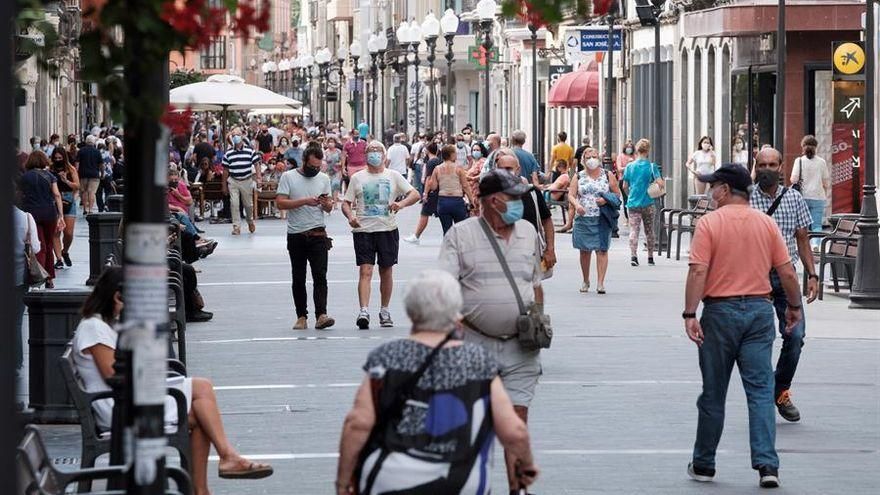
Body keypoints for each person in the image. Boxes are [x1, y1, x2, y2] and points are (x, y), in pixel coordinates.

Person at [70, 267, 273, 495]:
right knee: (202, 390)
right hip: (118, 408)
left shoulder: (104, 325)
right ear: (117, 296)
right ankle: (224, 461)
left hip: (132, 398)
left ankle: (207, 483)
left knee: (200, 412)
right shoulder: (94, 327)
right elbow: (113, 376)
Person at [335, 270, 538, 495]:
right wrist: (526, 467)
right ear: (457, 314)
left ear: (411, 313)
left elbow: (358, 423)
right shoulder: (478, 362)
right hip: (461, 482)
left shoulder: (386, 358)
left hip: (391, 480)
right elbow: (514, 431)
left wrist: (343, 482)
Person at [683, 163, 802, 489]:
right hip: (759, 313)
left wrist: (689, 314)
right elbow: (788, 272)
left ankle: (705, 463)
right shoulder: (765, 224)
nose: (709, 191)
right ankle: (767, 465)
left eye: (712, 186)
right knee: (762, 392)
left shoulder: (708, 224)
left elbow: (697, 272)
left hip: (720, 314)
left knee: (713, 392)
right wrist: (794, 308)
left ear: (724, 189)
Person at [440, 169, 543, 495]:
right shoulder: (460, 235)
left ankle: (518, 490)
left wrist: (537, 320)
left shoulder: (528, 233)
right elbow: (443, 286)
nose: (519, 203)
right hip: (473, 345)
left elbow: (534, 284)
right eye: (513, 197)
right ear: (491, 200)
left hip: (520, 347)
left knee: (516, 425)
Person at [751, 148, 820, 422]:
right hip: (753, 278)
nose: (767, 168)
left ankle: (780, 389)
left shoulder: (793, 198)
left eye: (772, 164)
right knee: (758, 340)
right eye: (762, 164)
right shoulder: (743, 199)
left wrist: (812, 275)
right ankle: (761, 393)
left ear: (781, 167)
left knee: (796, 335)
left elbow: (802, 238)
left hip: (785, 276)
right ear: (756, 167)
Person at [342, 141, 420, 329]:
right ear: (365, 156)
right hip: (363, 230)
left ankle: (384, 310)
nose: (374, 154)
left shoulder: (393, 176)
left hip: (387, 230)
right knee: (365, 270)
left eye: (377, 151)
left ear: (384, 156)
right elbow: (346, 202)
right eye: (370, 151)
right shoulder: (358, 178)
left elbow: (415, 194)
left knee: (386, 271)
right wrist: (350, 216)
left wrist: (400, 205)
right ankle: (364, 311)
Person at [276, 143, 336, 330]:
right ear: (304, 161)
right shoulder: (288, 176)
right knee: (298, 276)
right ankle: (301, 316)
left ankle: (321, 314)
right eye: (312, 167)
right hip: (296, 234)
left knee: (320, 275)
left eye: (318, 167)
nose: (315, 170)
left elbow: (329, 207)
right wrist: (304, 201)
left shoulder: (324, 178)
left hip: (318, 232)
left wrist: (326, 204)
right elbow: (280, 203)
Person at [570, 155, 620, 293]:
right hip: (584, 217)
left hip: (602, 217)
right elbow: (571, 195)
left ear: (599, 158)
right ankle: (586, 280)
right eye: (588, 157)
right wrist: (576, 205)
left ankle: (600, 283)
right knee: (585, 251)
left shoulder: (607, 174)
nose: (591, 159)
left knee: (602, 249)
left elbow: (617, 194)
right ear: (583, 160)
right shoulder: (578, 176)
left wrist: (605, 200)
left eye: (594, 156)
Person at [20, 152, 64, 288]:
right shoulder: (50, 176)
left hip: (31, 213)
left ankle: (39, 276)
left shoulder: (25, 177)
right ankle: (49, 278)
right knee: (49, 244)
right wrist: (60, 215)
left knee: (38, 245)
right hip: (49, 212)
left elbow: (20, 194)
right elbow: (56, 194)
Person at [621, 139, 662, 267]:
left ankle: (634, 256)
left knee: (634, 230)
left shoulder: (629, 166)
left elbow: (625, 185)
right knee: (649, 231)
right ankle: (650, 257)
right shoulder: (651, 166)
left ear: (637, 150)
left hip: (633, 202)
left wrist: (630, 195)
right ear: (648, 151)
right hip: (648, 202)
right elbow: (660, 183)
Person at [790, 135, 831, 249]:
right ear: (815, 147)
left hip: (802, 198)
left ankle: (804, 246)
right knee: (817, 224)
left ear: (803, 147)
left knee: (803, 224)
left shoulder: (799, 161)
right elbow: (826, 182)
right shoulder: (821, 162)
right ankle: (815, 245)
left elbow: (793, 180)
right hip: (818, 197)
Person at [14, 202, 40, 383]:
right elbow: (36, 248)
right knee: (16, 322)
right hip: (19, 277)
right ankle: (16, 361)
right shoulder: (27, 218)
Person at [426, 144, 476, 234]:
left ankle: (448, 247)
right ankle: (460, 247)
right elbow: (465, 186)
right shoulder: (459, 169)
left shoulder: (437, 169)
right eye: (455, 153)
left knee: (447, 231)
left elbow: (433, 186)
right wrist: (472, 201)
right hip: (457, 201)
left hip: (443, 201)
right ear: (452, 154)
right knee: (461, 230)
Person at [222, 129, 261, 235]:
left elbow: (257, 164)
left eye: (237, 135)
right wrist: (224, 185)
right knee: (234, 204)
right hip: (233, 181)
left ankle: (250, 221)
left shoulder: (250, 150)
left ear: (242, 136)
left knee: (248, 205)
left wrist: (258, 178)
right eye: (233, 135)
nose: (235, 137)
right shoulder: (228, 153)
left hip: (246, 180)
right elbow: (225, 170)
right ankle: (236, 227)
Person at [403, 142, 441, 245]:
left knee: (424, 213)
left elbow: (429, 179)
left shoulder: (431, 162)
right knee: (441, 215)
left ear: (428, 150)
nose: (424, 151)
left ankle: (416, 236)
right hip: (437, 191)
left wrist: (425, 193)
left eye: (425, 149)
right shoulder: (437, 160)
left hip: (432, 192)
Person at [49, 147, 79, 269]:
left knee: (69, 233)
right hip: (54, 200)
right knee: (56, 232)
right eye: (55, 158)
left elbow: (77, 186)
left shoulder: (70, 169)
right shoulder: (50, 169)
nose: (57, 160)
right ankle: (59, 259)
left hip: (68, 200)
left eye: (60, 158)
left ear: (64, 158)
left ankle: (65, 251)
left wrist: (65, 180)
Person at [77, 134, 103, 214]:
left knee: (84, 192)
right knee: (92, 192)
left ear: (86, 141)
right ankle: (91, 209)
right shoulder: (97, 152)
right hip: (94, 175)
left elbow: (77, 164)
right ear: (94, 142)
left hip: (83, 174)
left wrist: (76, 173)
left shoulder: (81, 151)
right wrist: (102, 173)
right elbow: (101, 164)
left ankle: (85, 209)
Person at [323, 137, 343, 204]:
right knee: (330, 186)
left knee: (336, 184)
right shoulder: (325, 152)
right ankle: (331, 200)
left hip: (337, 171)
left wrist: (339, 164)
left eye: (332, 142)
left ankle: (335, 202)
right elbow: (323, 161)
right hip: (328, 171)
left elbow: (342, 160)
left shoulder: (338, 151)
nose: (330, 143)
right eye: (329, 142)